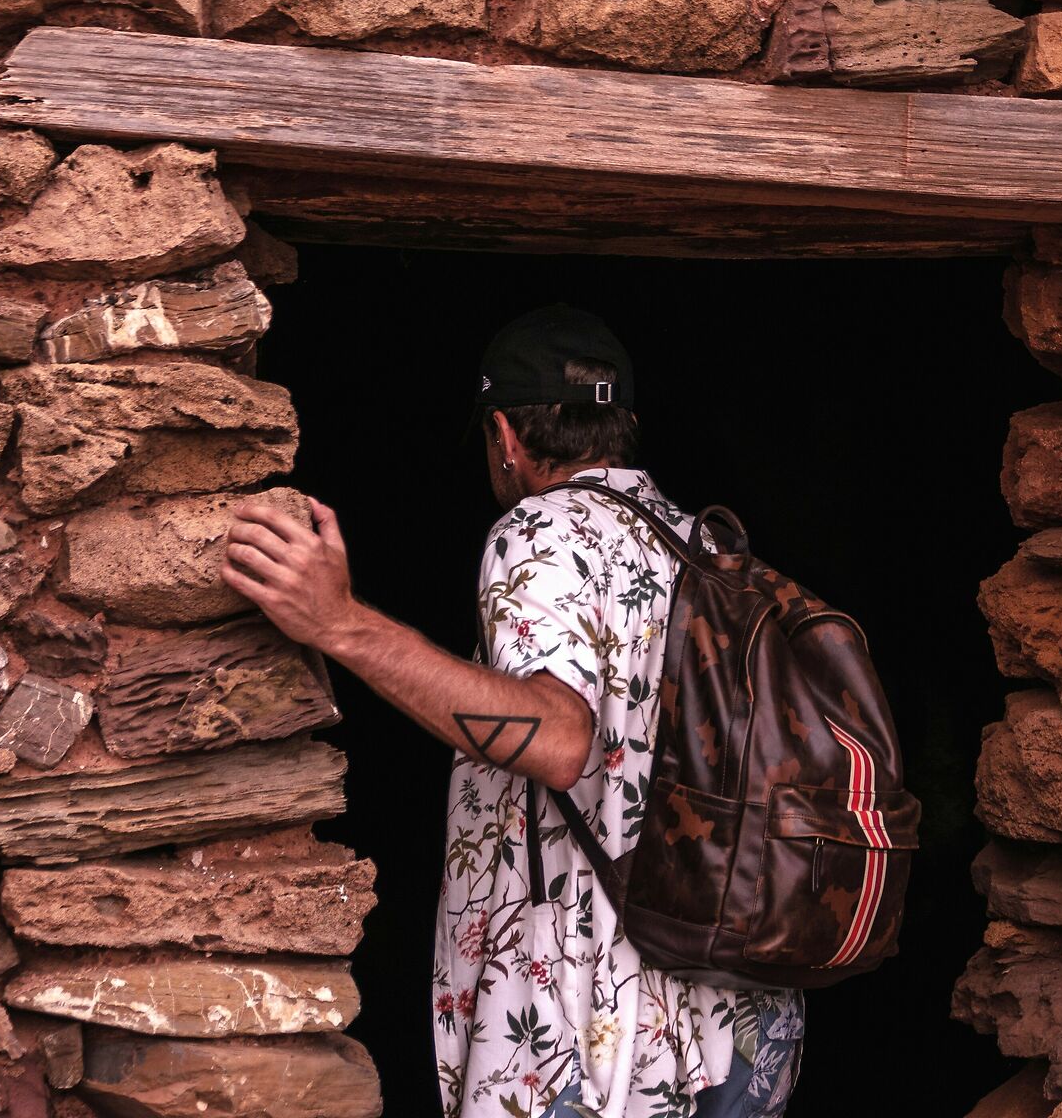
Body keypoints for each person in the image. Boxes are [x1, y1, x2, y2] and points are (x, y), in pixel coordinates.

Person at [224, 303, 804, 1118]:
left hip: (592, 1028)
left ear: (503, 436)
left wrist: (341, 625)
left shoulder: (540, 529)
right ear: (625, 425)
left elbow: (562, 738)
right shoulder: (713, 549)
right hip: (738, 1015)